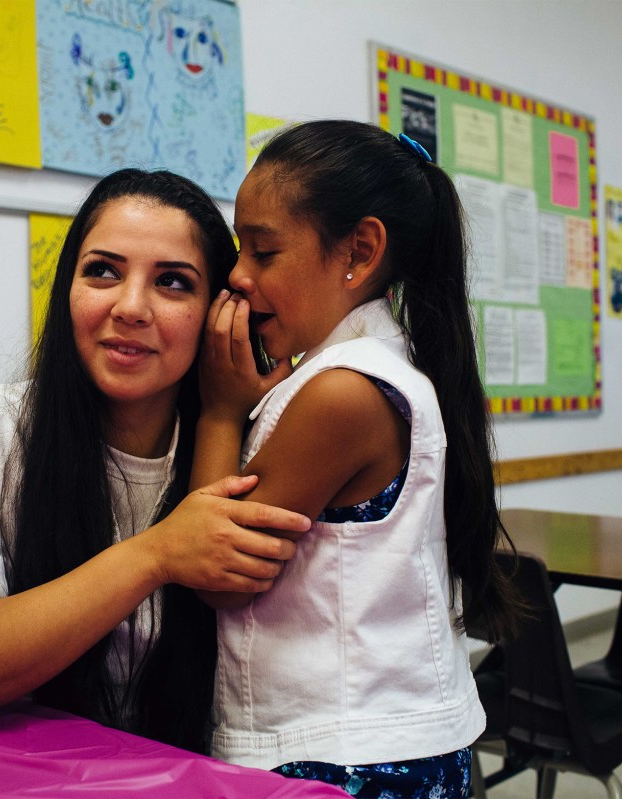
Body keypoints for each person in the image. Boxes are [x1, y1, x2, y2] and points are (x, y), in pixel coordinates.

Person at [0, 168, 313, 754]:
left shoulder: (261, 439)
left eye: (172, 283)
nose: (130, 307)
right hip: (27, 780)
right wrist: (157, 554)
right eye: (103, 271)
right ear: (67, 289)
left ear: (221, 311)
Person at [191, 120, 526, 797]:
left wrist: (219, 410)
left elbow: (218, 573)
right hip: (375, 738)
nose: (236, 275)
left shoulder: (342, 394)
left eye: (263, 250)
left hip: (347, 756)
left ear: (360, 251)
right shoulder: (370, 367)